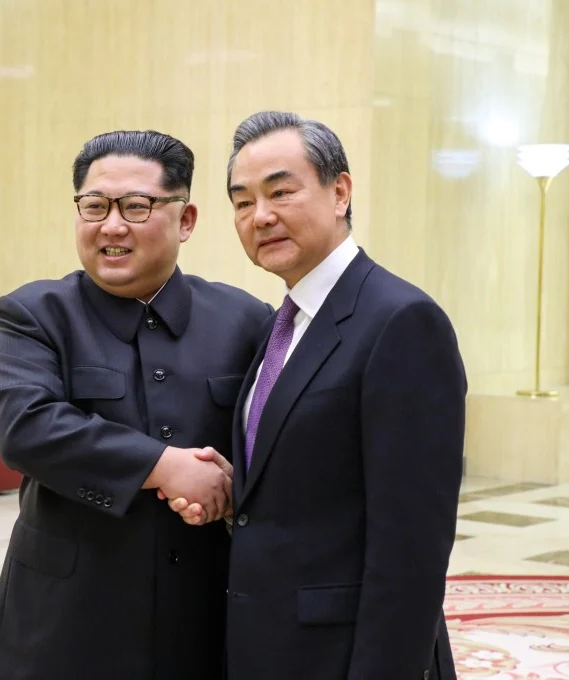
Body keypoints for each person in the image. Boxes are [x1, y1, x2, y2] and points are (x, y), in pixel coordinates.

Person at [169, 111, 466, 679]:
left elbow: (412, 547)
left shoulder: (400, 321)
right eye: (242, 202)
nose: (261, 216)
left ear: (340, 193)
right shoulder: (283, 323)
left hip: (345, 655)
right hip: (270, 643)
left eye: (281, 192)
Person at [0, 129, 274, 680]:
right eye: (94, 206)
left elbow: (273, 442)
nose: (111, 226)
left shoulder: (246, 321)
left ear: (186, 220)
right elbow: (25, 427)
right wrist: (164, 466)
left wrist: (229, 491)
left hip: (204, 616)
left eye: (136, 207)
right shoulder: (35, 313)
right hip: (65, 623)